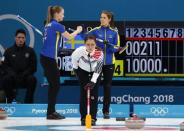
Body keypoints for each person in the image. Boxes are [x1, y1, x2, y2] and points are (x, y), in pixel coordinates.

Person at [40, 5, 82, 120]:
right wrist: (78, 30)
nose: (63, 15)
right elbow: (69, 38)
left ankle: (50, 112)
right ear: (57, 14)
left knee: (54, 85)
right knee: (55, 85)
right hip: (49, 58)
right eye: (62, 13)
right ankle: (51, 112)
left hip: (45, 58)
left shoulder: (48, 25)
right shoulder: (57, 25)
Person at [88, 11, 124, 119]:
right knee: (95, 86)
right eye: (101, 17)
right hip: (97, 63)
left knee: (107, 87)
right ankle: (93, 113)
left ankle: (106, 111)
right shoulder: (94, 31)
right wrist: (96, 46)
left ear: (109, 19)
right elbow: (87, 42)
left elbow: (116, 48)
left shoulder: (114, 33)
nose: (101, 19)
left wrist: (109, 46)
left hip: (109, 63)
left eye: (104, 17)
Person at [71, 35, 103, 126]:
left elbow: (98, 69)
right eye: (88, 44)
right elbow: (74, 63)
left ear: (95, 44)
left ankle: (93, 117)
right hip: (82, 71)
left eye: (92, 44)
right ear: (84, 44)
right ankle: (83, 117)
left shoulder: (99, 53)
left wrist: (93, 81)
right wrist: (78, 74)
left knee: (94, 94)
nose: (90, 47)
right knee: (83, 93)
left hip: (95, 72)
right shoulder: (78, 51)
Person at [3, 29, 37, 103]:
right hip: (13, 77)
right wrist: (12, 74)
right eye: (19, 37)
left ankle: (27, 103)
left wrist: (24, 74)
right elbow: (5, 66)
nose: (21, 39)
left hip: (25, 77)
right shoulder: (8, 51)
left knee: (32, 79)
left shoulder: (30, 51)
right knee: (6, 79)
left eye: (23, 38)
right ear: (15, 38)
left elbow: (33, 67)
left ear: (25, 39)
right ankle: (11, 101)